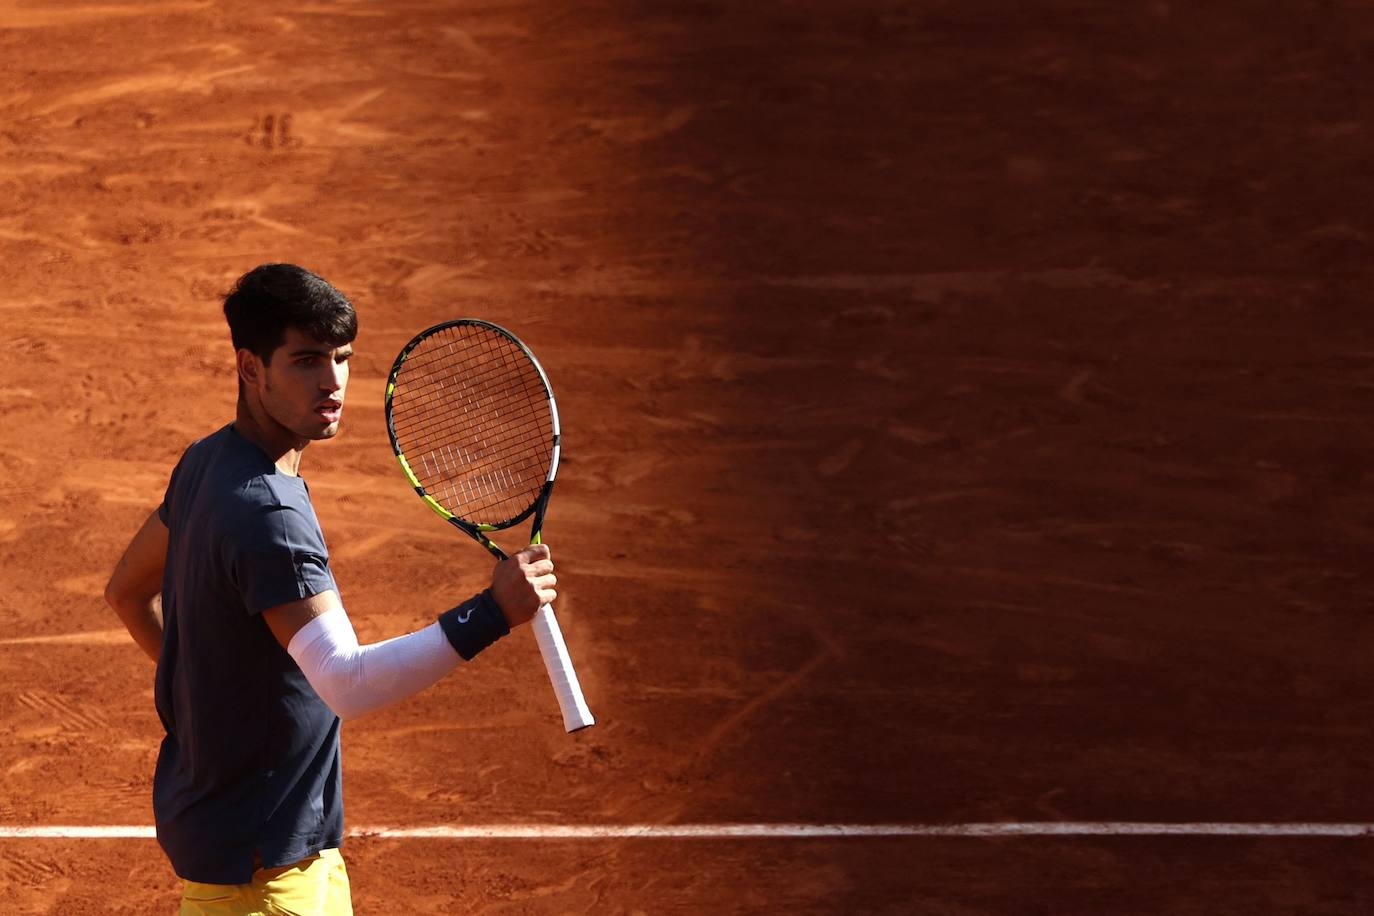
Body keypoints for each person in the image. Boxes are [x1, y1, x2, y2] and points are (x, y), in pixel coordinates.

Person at [103, 263, 556, 915]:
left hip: (254, 855)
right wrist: (490, 613)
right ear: (250, 367)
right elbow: (347, 682)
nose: (333, 381)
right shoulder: (269, 517)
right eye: (307, 360)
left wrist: (207, 694)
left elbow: (126, 590)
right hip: (270, 885)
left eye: (342, 357)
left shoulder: (208, 461)